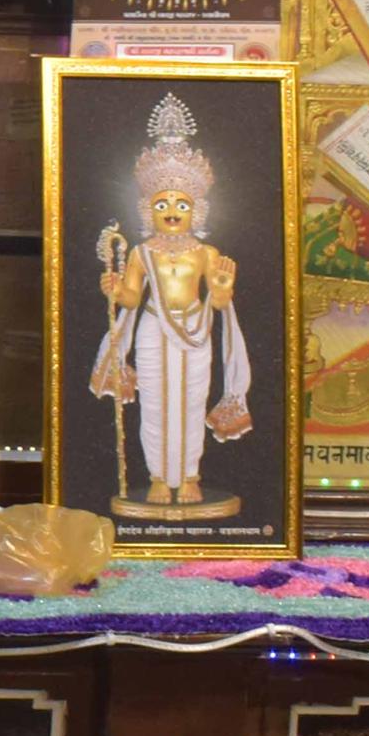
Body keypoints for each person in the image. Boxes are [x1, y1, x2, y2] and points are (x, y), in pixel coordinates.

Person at [89, 88, 254, 518]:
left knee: (192, 401)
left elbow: (218, 302)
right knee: (157, 404)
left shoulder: (206, 253)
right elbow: (131, 297)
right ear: (149, 210)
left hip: (196, 329)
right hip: (152, 327)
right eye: (163, 204)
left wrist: (222, 289)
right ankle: (160, 476)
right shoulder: (142, 252)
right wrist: (114, 290)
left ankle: (190, 475)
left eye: (182, 204)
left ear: (197, 211)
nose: (173, 211)